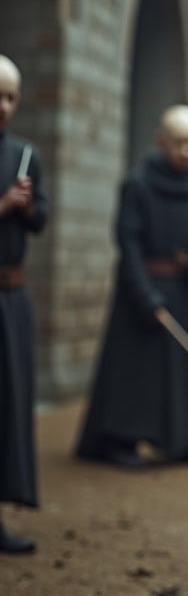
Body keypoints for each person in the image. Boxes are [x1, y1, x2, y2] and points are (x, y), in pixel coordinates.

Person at [75, 105, 188, 469]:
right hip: (144, 290)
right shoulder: (138, 185)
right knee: (136, 370)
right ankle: (122, 439)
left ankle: (184, 441)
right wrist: (144, 295)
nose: (186, 151)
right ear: (160, 140)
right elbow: (127, 244)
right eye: (178, 142)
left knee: (185, 373)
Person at [0, 56, 47, 554]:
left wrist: (30, 206)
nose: (4, 106)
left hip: (11, 296)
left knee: (7, 404)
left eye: (11, 96)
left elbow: (41, 219)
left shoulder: (24, 155)